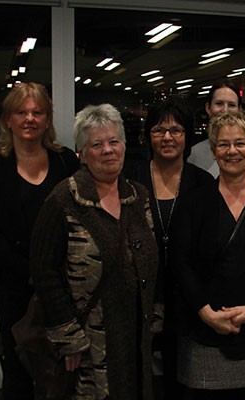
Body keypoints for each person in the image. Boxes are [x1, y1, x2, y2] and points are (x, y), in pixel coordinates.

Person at [30, 103, 160, 399]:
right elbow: (44, 272)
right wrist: (68, 338)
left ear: (125, 146)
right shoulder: (63, 199)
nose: (108, 150)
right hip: (88, 339)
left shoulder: (138, 196)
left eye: (114, 141)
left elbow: (153, 259)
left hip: (135, 335)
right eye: (97, 144)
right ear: (83, 154)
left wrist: (154, 315)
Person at [171, 110, 245, 399]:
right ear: (213, 152)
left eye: (240, 143)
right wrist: (205, 312)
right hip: (203, 333)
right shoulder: (193, 203)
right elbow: (180, 261)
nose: (232, 151)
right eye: (223, 145)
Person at [0, 83, 79, 399]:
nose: (30, 119)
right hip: (13, 284)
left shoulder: (66, 162)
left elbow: (79, 220)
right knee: (18, 371)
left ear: (48, 120)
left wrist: (53, 273)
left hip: (62, 285)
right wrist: (30, 271)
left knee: (64, 370)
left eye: (37, 112)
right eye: (21, 112)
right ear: (8, 120)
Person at [124, 97, 214, 399]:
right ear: (147, 135)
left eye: (176, 130)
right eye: (159, 130)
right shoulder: (131, 179)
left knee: (181, 375)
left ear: (187, 137)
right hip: (139, 291)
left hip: (184, 295)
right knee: (136, 372)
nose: (167, 137)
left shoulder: (202, 183)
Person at [187, 79, 245, 192]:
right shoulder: (195, 152)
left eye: (232, 105)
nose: (225, 110)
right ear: (208, 108)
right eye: (219, 104)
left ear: (239, 109)